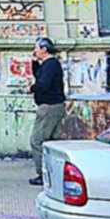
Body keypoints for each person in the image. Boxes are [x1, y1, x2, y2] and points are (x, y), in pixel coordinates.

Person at [28, 36, 66, 186]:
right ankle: (55, 172)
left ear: (44, 49)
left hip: (49, 106)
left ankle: (42, 174)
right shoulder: (49, 64)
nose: (35, 50)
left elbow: (42, 84)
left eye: (36, 48)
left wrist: (31, 88)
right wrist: (34, 62)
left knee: (37, 141)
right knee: (53, 141)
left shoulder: (50, 65)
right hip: (55, 105)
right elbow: (39, 75)